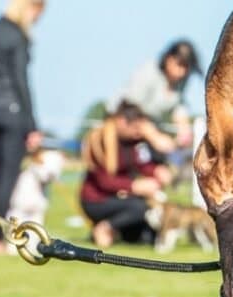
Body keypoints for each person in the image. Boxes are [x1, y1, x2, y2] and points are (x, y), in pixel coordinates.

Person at [0, 0, 45, 254]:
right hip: (13, 112)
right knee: (8, 177)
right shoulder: (17, 36)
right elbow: (20, 80)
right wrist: (32, 125)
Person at [80, 102, 173, 248]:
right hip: (97, 200)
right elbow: (104, 181)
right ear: (122, 122)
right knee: (141, 207)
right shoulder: (98, 140)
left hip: (123, 198)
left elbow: (141, 164)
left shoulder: (132, 142)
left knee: (147, 237)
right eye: (136, 128)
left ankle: (110, 231)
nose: (139, 133)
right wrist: (134, 186)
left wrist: (156, 171)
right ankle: (105, 228)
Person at [112, 40, 201, 158]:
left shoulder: (180, 82)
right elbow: (128, 107)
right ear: (169, 59)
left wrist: (184, 128)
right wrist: (154, 136)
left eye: (187, 68)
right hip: (122, 128)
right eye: (180, 65)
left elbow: (177, 104)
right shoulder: (149, 72)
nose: (183, 72)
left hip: (149, 132)